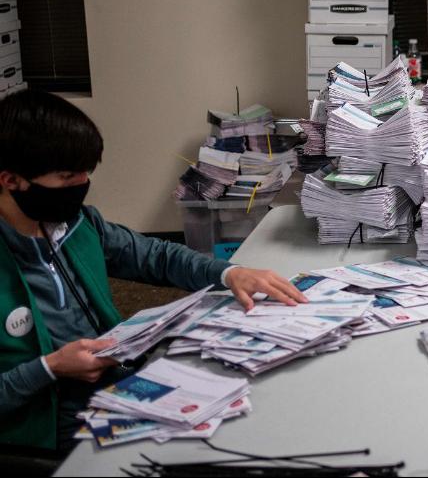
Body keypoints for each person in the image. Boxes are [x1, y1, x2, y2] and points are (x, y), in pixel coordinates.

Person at [0, 90, 307, 454]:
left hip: (117, 388)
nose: (81, 184)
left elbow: (157, 256)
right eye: (67, 176)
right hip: (47, 429)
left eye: (86, 172)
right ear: (11, 181)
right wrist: (49, 368)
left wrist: (229, 274)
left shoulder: (76, 224)